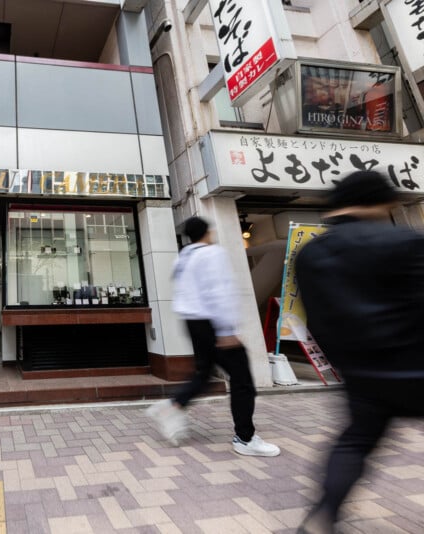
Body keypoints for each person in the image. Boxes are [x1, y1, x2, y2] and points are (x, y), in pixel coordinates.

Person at [295, 171, 424, 533]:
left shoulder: (310, 254)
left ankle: (321, 517)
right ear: (380, 201)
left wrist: (344, 364)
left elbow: (315, 319)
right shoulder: (407, 241)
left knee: (355, 443)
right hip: (417, 366)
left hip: (363, 375)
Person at [146, 216, 280, 457]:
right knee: (242, 381)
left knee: (204, 373)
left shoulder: (183, 258)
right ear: (207, 232)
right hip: (211, 323)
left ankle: (172, 406)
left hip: (192, 322)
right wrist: (226, 330)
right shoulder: (212, 254)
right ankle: (245, 438)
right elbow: (219, 291)